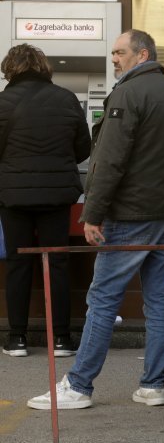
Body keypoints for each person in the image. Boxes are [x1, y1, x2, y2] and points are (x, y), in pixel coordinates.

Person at [27, 29, 164, 410]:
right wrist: (160, 175)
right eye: (112, 54)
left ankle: (78, 386)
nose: (114, 60)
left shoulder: (126, 94)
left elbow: (108, 161)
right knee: (158, 299)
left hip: (129, 213)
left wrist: (93, 213)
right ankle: (153, 386)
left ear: (142, 55)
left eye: (119, 53)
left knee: (103, 299)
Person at [0, 44, 90, 358]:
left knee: (18, 264)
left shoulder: (3, 102)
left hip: (13, 196)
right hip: (56, 194)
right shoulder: (66, 98)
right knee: (57, 263)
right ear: (43, 67)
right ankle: (62, 340)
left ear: (10, 68)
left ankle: (17, 339)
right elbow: (84, 148)